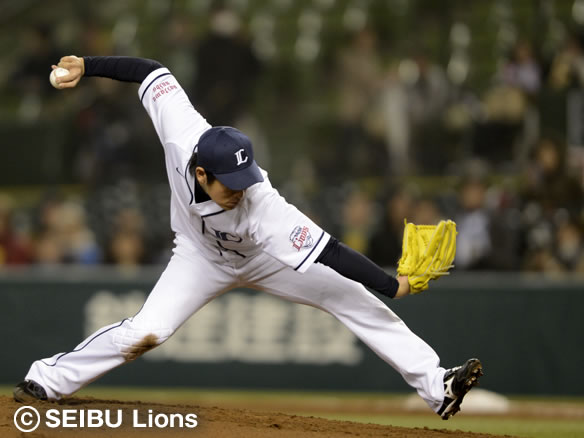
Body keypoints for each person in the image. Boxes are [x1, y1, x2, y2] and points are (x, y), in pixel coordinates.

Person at [13, 55, 482, 420]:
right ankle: (47, 380)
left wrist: (393, 285)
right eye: (230, 183)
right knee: (146, 333)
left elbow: (332, 251)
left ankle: (437, 385)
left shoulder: (263, 205)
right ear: (202, 173)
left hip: (262, 257)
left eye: (246, 177)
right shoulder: (181, 132)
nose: (241, 188)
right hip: (198, 258)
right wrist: (87, 66)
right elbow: (149, 70)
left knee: (355, 298)